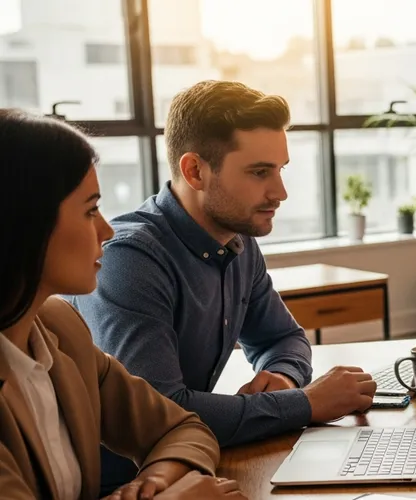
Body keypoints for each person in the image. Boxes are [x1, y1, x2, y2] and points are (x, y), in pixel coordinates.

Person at [68, 80, 378, 492]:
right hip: (121, 487)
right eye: (259, 172)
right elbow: (166, 413)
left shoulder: (236, 238)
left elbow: (283, 338)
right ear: (195, 171)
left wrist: (282, 378)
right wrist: (304, 403)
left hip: (194, 468)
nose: (280, 192)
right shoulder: (129, 260)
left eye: (280, 170)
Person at [0, 109, 245, 499]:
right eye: (89, 210)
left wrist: (155, 483)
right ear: (24, 224)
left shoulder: (58, 328)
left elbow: (182, 427)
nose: (107, 229)